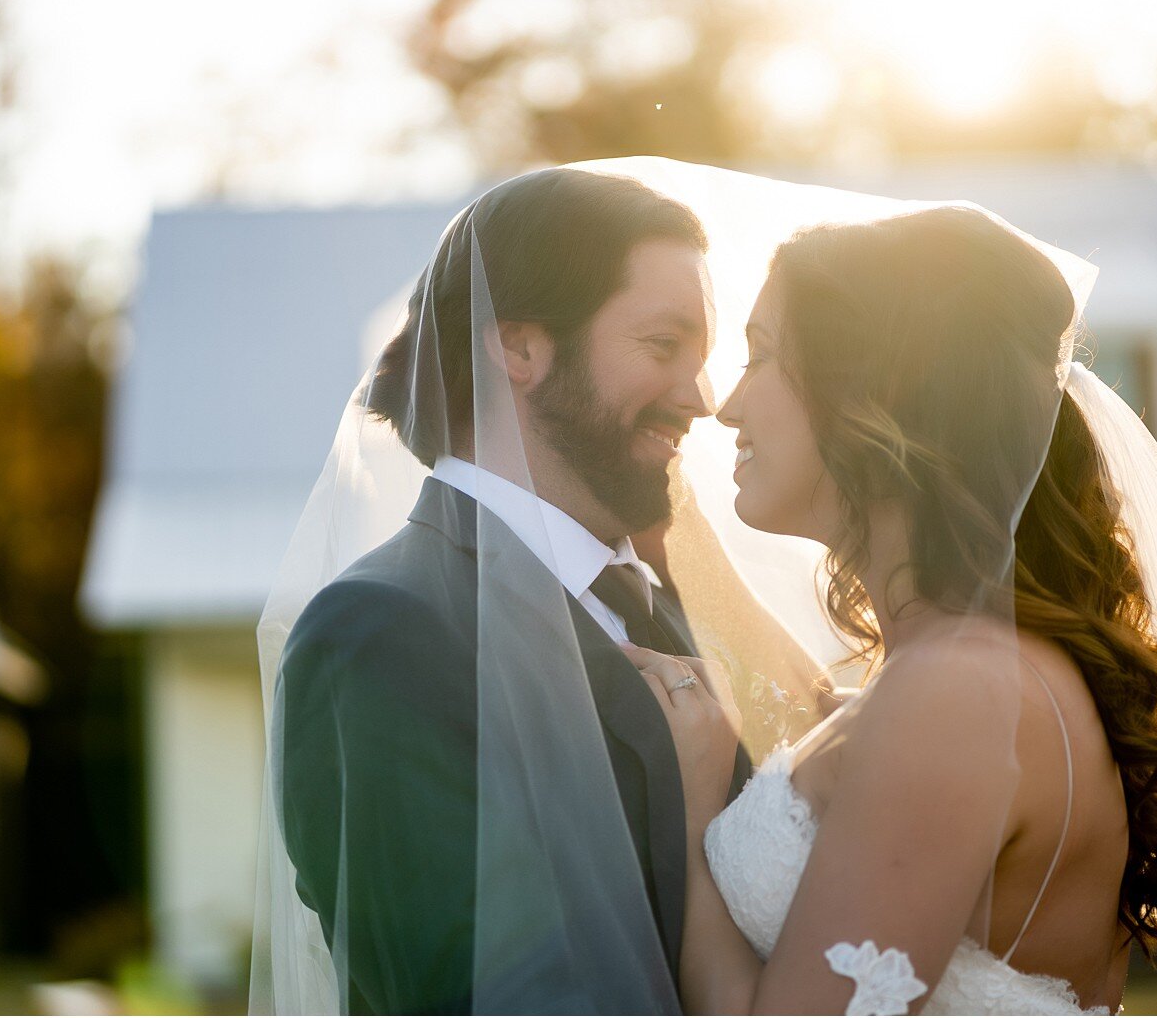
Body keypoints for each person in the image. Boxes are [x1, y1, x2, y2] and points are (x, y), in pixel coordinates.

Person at [625, 205, 1157, 1015]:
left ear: (877, 394)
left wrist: (694, 803)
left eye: (764, 356)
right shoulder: (965, 675)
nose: (727, 407)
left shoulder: (953, 693)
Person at [264, 168, 790, 1014]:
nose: (700, 398)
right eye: (663, 348)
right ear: (518, 347)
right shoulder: (380, 632)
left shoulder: (669, 608)